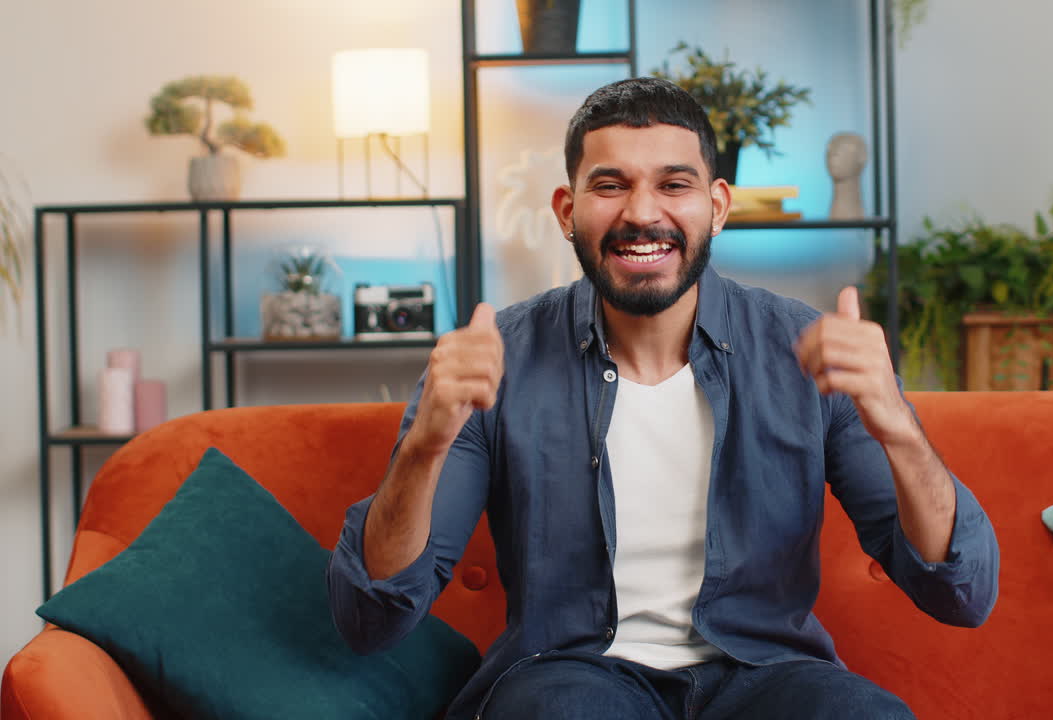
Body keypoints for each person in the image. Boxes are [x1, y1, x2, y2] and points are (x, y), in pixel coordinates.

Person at [328, 77, 999, 720]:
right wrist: (425, 446)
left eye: (673, 184)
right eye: (610, 185)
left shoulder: (806, 349)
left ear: (717, 206)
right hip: (570, 675)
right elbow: (372, 616)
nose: (642, 213)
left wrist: (901, 432)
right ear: (568, 211)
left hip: (765, 676)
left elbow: (961, 593)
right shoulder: (494, 357)